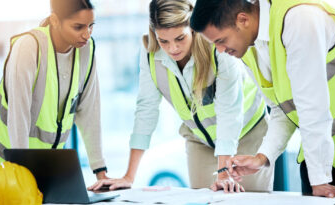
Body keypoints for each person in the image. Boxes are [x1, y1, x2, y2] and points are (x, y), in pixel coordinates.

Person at [88, 0, 273, 193]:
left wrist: (224, 171)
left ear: (191, 29)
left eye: (180, 38)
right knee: (205, 200)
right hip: (199, 140)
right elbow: (146, 109)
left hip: (247, 133)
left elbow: (229, 111)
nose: (173, 49)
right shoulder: (150, 53)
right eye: (164, 41)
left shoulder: (218, 46)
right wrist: (129, 176)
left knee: (243, 199)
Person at [190, 0, 335, 197]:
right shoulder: (249, 48)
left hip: (325, 169)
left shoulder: (299, 19)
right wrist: (262, 157)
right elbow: (283, 108)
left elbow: (312, 108)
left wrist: (319, 179)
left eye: (221, 40)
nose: (219, 50)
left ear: (242, 20)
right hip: (327, 162)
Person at [0, 0, 108, 181]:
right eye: (78, 27)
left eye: (91, 26)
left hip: (41, 167)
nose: (87, 34)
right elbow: (18, 115)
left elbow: (90, 110)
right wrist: (22, 174)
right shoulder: (29, 47)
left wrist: (101, 174)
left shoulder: (86, 50)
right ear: (54, 20)